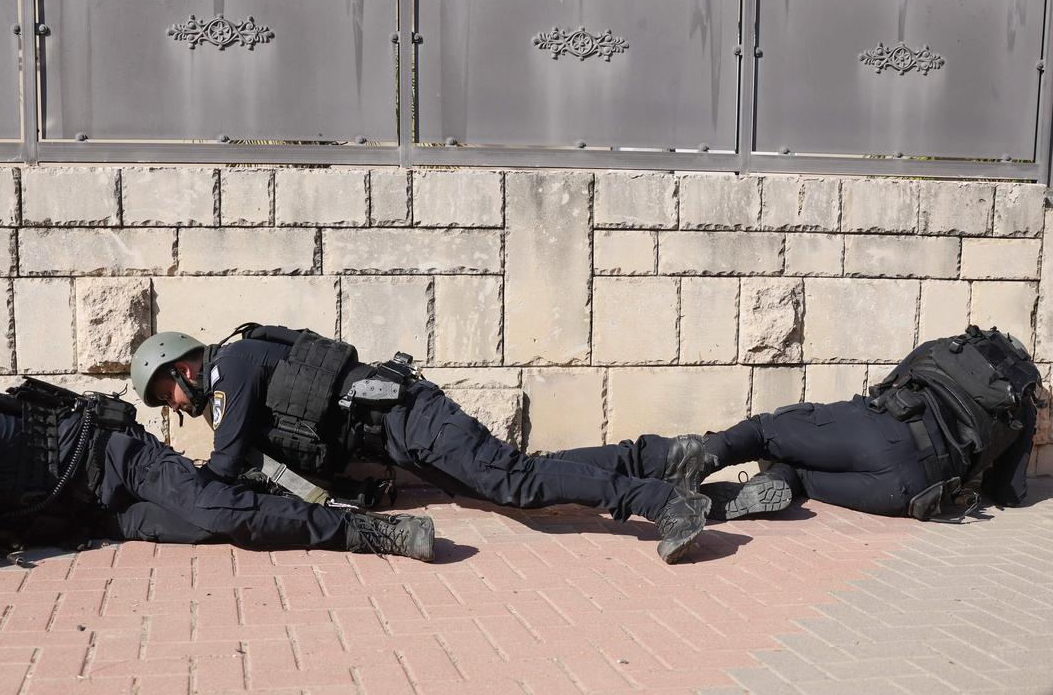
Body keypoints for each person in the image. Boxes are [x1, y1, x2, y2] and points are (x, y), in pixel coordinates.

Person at [129, 325, 712, 564]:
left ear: (183, 366)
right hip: (402, 435)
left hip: (411, 417)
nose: (175, 406)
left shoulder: (232, 367)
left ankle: (663, 504)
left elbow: (228, 464)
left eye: (168, 393)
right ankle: (662, 464)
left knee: (513, 483)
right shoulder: (238, 368)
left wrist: (185, 489)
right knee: (516, 480)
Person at [0, 379, 436, 572]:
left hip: (113, 456)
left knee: (221, 513)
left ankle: (377, 534)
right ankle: (280, 494)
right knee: (213, 527)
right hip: (91, 509)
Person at [624, 326, 1043, 522]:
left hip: (879, 432)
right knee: (806, 479)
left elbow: (886, 387)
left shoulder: (946, 348)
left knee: (768, 431)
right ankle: (768, 487)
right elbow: (1009, 492)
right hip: (912, 491)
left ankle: (698, 462)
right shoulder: (1020, 404)